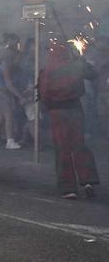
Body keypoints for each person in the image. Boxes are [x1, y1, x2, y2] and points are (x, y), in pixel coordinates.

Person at [39, 41, 101, 200]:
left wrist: (47, 106)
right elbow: (93, 74)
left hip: (57, 111)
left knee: (63, 148)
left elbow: (44, 93)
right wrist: (82, 62)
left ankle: (69, 188)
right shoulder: (76, 65)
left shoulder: (49, 69)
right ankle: (88, 180)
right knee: (79, 144)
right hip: (75, 109)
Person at [0, 40, 25, 150]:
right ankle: (10, 141)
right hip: (0, 92)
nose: (19, 59)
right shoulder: (5, 66)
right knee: (8, 116)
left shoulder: (10, 66)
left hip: (0, 92)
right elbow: (8, 85)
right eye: (17, 56)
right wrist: (20, 96)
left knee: (2, 117)